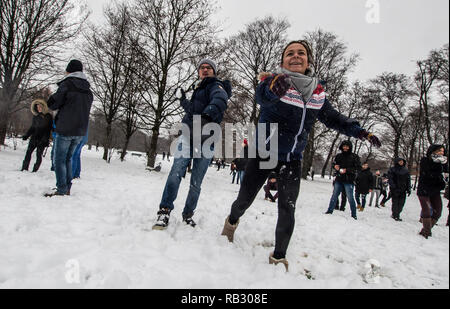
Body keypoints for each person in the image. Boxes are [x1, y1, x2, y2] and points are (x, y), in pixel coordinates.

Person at [220, 40, 381, 271]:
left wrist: (361, 132)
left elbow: (334, 119)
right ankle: (232, 222)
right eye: (290, 53)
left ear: (309, 60)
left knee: (288, 207)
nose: (295, 56)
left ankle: (278, 257)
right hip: (264, 152)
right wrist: (272, 87)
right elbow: (262, 98)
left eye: (301, 53)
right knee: (244, 200)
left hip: (293, 158)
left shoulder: (317, 94)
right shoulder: (274, 82)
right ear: (283, 60)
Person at [153, 58, 232, 229]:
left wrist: (207, 115)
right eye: (202, 67)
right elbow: (192, 110)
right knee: (176, 171)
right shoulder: (199, 88)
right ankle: (164, 210)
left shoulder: (215, 86)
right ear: (198, 71)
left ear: (214, 71)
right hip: (188, 135)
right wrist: (182, 100)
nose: (205, 70)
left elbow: (220, 99)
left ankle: (188, 214)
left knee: (196, 181)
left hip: (206, 139)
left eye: (209, 67)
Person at [44, 59, 93, 197]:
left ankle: (61, 189)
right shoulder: (88, 90)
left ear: (69, 70)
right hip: (80, 131)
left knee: (59, 159)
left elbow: (53, 104)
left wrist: (52, 98)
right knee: (68, 159)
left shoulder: (67, 85)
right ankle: (67, 187)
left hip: (65, 128)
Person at [417, 145, 448, 238]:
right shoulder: (425, 160)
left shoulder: (444, 162)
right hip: (424, 189)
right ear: (433, 151)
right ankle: (427, 232)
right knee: (427, 210)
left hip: (435, 190)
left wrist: (444, 180)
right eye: (439, 151)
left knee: (438, 212)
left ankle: (425, 230)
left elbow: (446, 174)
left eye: (443, 151)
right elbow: (427, 173)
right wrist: (440, 174)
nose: (441, 153)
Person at [325, 140, 362, 219]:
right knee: (334, 196)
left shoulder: (354, 157)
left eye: (347, 146)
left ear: (350, 147)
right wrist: (335, 166)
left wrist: (347, 170)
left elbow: (358, 168)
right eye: (344, 146)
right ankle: (329, 210)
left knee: (350, 197)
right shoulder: (338, 156)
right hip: (339, 179)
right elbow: (334, 164)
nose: (345, 148)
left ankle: (354, 214)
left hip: (349, 180)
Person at [21, 99, 53, 172]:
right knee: (28, 152)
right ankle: (24, 168)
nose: (38, 108)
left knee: (39, 155)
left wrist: (46, 139)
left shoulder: (48, 116)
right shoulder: (36, 116)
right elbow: (32, 127)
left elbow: (48, 129)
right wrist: (26, 135)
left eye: (40, 107)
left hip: (42, 139)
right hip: (34, 138)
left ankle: (35, 170)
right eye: (37, 107)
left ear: (43, 107)